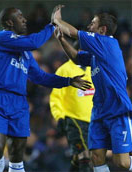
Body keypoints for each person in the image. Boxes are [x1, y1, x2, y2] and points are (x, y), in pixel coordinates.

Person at [0, 7, 92, 172]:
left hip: (19, 103)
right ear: (9, 22)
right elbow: (34, 42)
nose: (25, 20)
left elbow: (41, 77)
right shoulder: (1, 38)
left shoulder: (26, 53)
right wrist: (52, 24)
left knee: (17, 156)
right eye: (20, 17)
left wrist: (68, 81)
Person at [51, 5, 132, 172]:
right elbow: (75, 57)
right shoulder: (97, 55)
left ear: (102, 30)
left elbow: (74, 32)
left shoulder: (108, 44)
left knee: (122, 163)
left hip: (116, 110)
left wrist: (57, 20)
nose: (89, 26)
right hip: (99, 113)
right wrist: (61, 40)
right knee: (95, 157)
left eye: (93, 23)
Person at [50, 41, 94, 172]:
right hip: (74, 119)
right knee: (86, 155)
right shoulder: (64, 70)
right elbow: (56, 97)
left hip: (94, 119)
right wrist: (60, 117)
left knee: (80, 157)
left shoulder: (93, 68)